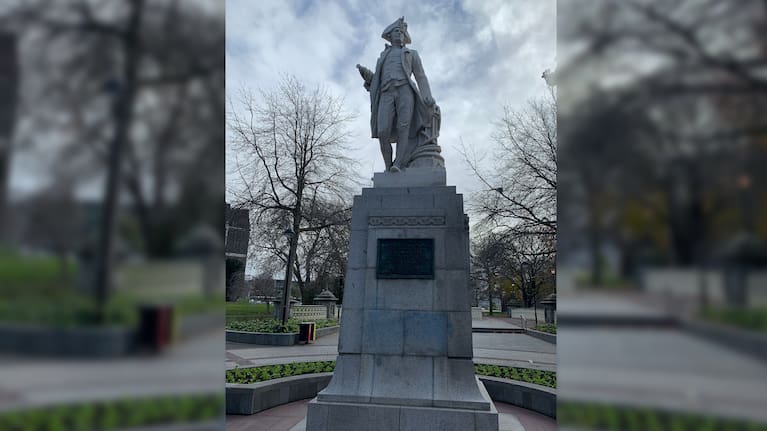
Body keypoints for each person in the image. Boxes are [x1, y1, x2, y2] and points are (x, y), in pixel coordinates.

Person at [356, 17, 435, 172]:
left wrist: (427, 95)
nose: (399, 34)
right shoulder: (382, 57)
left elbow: (420, 76)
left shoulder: (411, 53)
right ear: (390, 36)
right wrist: (364, 73)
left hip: (405, 91)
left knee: (403, 128)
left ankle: (398, 164)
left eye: (401, 31)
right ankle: (387, 166)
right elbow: (376, 79)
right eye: (396, 31)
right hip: (386, 93)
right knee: (382, 131)